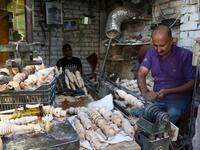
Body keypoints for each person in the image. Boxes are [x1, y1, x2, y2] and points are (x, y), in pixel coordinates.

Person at [137, 25, 196, 124]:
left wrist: (168, 91)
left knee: (167, 118)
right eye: (155, 45)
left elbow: (192, 83)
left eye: (162, 45)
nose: (159, 50)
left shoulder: (185, 55)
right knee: (139, 114)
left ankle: (163, 138)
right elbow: (141, 73)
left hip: (178, 100)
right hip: (158, 98)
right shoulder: (151, 52)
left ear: (171, 41)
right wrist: (145, 92)